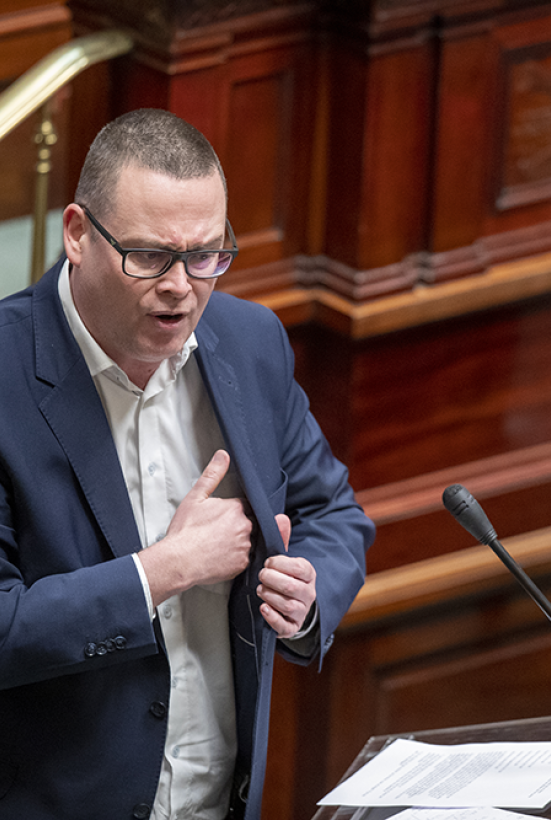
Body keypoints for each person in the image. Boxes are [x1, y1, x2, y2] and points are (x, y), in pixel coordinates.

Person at [0, 108, 374, 819]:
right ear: (77, 234)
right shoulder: (5, 372)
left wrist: (307, 596)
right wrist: (167, 568)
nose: (182, 286)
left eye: (206, 255)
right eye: (149, 256)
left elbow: (334, 514)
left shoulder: (249, 341)